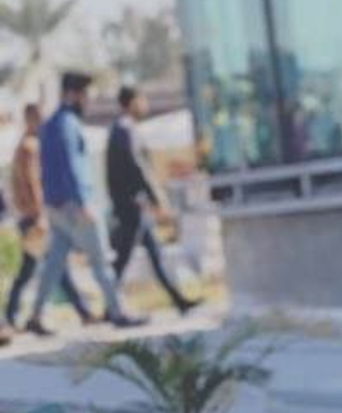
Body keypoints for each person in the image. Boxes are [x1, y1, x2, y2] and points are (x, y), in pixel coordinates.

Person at [25, 72, 146, 336]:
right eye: (86, 95)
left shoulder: (49, 124)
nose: (88, 101)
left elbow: (45, 169)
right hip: (75, 205)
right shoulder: (68, 124)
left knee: (54, 264)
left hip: (55, 205)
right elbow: (72, 166)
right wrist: (82, 202)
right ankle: (117, 312)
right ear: (74, 94)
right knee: (101, 260)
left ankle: (35, 315)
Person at [5, 102, 102, 332]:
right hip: (34, 217)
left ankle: (74, 311)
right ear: (31, 119)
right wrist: (40, 214)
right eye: (38, 118)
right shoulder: (30, 146)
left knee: (52, 266)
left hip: (28, 215)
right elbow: (33, 182)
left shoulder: (23, 145)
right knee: (42, 268)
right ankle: (16, 317)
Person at [107, 85, 199, 315]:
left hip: (133, 204)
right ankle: (110, 306)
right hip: (131, 205)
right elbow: (137, 167)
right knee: (123, 260)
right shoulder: (124, 129)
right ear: (132, 102)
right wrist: (156, 197)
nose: (145, 105)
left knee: (154, 254)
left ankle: (178, 300)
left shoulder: (123, 129)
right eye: (142, 100)